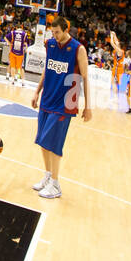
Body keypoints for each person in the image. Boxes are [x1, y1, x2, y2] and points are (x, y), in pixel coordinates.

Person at [30, 13, 91, 199]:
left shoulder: (78, 49)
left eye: (57, 32)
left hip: (65, 103)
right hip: (47, 98)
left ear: (66, 30)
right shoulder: (50, 44)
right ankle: (48, 176)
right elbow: (46, 70)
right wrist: (37, 92)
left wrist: (88, 106)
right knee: (42, 140)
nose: (54, 35)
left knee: (54, 144)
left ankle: (56, 185)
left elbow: (85, 77)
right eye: (52, 32)